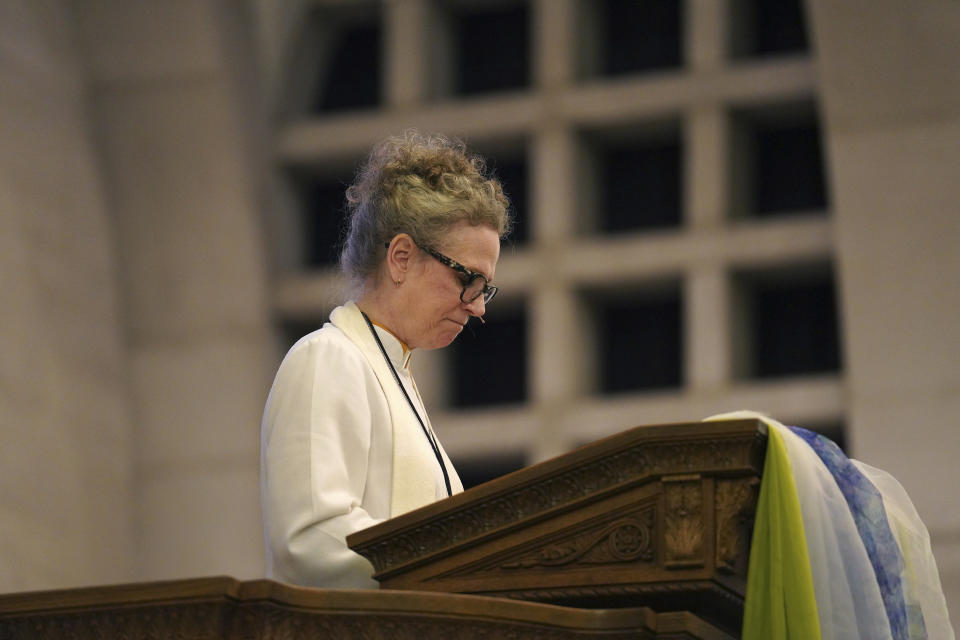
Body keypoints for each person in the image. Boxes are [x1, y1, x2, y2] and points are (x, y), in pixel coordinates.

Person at [260, 131, 511, 588]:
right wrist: (455, 569)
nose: (479, 306)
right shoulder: (326, 360)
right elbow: (310, 540)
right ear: (401, 258)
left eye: (484, 287)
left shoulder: (394, 377)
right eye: (468, 279)